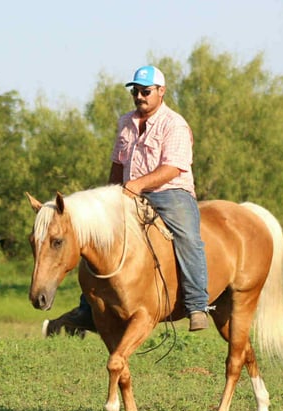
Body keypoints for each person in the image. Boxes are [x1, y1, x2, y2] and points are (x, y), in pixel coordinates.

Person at [44, 65, 210, 336]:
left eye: (146, 91)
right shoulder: (126, 122)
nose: (139, 96)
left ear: (161, 91)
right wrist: (108, 196)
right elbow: (118, 164)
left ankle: (197, 304)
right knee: (97, 238)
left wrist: (138, 184)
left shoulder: (174, 124)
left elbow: (173, 168)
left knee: (188, 238)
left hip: (170, 193)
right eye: (135, 91)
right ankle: (88, 307)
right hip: (129, 193)